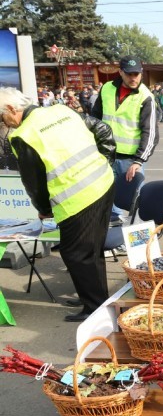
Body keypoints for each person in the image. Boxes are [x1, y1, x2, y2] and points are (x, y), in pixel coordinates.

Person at [2, 87, 116, 322]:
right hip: (102, 182)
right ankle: (94, 297)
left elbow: (33, 181)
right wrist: (106, 160)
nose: (3, 122)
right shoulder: (60, 111)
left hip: (78, 197)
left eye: (1, 116)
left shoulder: (23, 135)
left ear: (12, 109)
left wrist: (43, 209)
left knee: (76, 253)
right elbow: (101, 129)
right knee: (91, 249)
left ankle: (95, 309)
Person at [91, 55, 159, 223]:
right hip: (106, 155)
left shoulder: (145, 97)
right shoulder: (107, 88)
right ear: (120, 72)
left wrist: (139, 161)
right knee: (107, 195)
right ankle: (114, 228)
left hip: (130, 160)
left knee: (135, 199)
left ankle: (140, 236)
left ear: (141, 73)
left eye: (136, 74)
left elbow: (150, 133)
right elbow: (95, 118)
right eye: (129, 74)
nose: (133, 78)